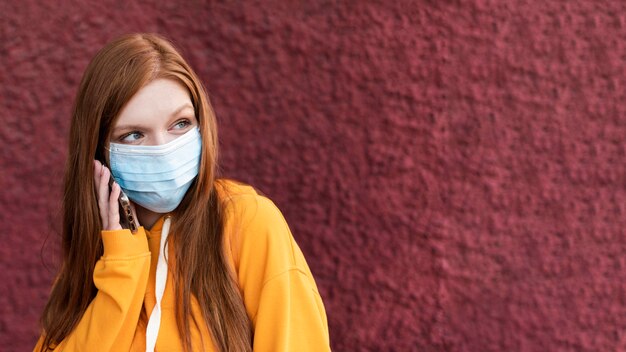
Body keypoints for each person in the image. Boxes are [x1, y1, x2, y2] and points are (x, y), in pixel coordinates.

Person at [33, 33, 330, 352]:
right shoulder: (97, 254)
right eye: (134, 134)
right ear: (99, 151)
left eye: (180, 124)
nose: (163, 149)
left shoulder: (248, 222)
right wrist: (121, 268)